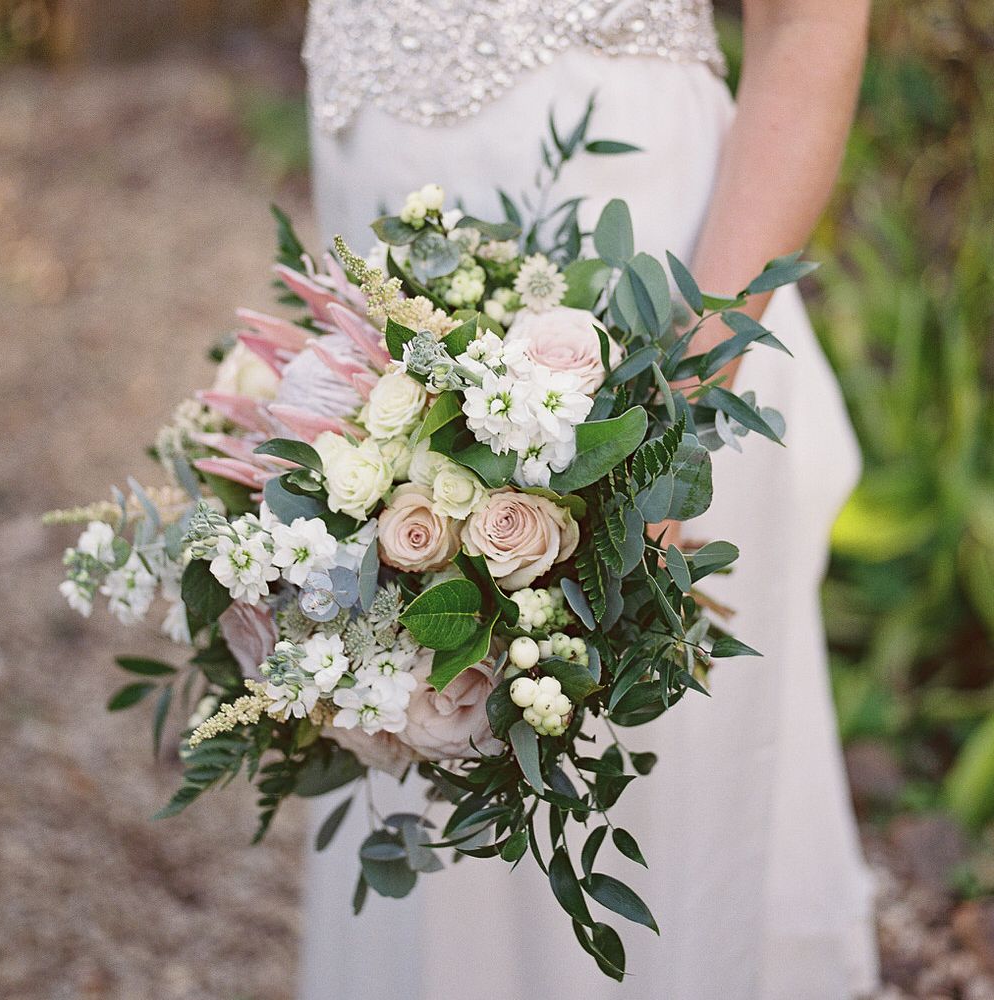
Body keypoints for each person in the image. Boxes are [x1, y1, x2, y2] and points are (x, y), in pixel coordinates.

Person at [299, 1, 879, 997]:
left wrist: (679, 402)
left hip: (637, 304)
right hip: (383, 270)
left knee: (631, 764)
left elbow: (808, 24)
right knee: (416, 737)